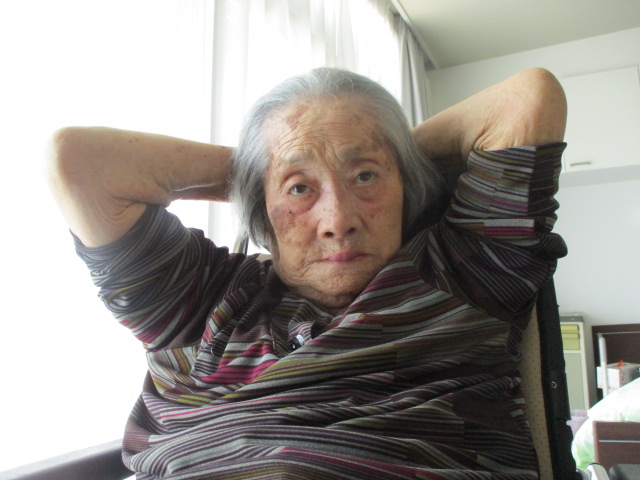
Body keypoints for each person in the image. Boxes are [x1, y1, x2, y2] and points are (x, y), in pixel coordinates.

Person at [46, 67, 568, 479]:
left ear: (405, 187)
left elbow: (528, 100)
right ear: (262, 209)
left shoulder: (462, 273)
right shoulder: (199, 300)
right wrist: (257, 170)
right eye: (299, 189)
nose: (338, 219)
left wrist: (389, 152)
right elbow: (78, 161)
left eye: (366, 176)